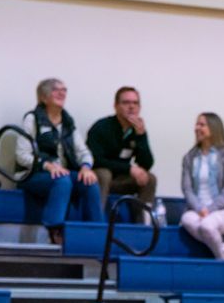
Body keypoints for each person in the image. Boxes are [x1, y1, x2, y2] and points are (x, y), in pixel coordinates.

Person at [15, 78, 102, 244]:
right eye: (56, 90)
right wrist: (47, 165)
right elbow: (22, 154)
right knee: (62, 180)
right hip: (34, 174)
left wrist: (85, 167)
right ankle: (55, 229)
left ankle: (96, 231)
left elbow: (83, 151)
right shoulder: (32, 119)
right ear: (43, 97)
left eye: (64, 90)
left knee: (89, 181)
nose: (62, 93)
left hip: (61, 174)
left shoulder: (68, 122)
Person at [179, 113, 224, 261]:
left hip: (223, 210)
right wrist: (199, 208)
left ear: (213, 128)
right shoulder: (189, 157)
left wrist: (209, 209)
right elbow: (187, 189)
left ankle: (220, 260)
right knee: (186, 220)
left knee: (207, 226)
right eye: (197, 124)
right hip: (198, 210)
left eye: (202, 125)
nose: (197, 128)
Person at [86, 86, 156, 213]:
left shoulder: (137, 130)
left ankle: (143, 225)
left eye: (135, 103)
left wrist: (141, 136)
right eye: (126, 103)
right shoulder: (101, 127)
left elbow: (146, 164)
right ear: (116, 106)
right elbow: (95, 160)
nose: (131, 107)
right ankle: (97, 221)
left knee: (149, 178)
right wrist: (129, 169)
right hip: (98, 178)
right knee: (104, 174)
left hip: (121, 180)